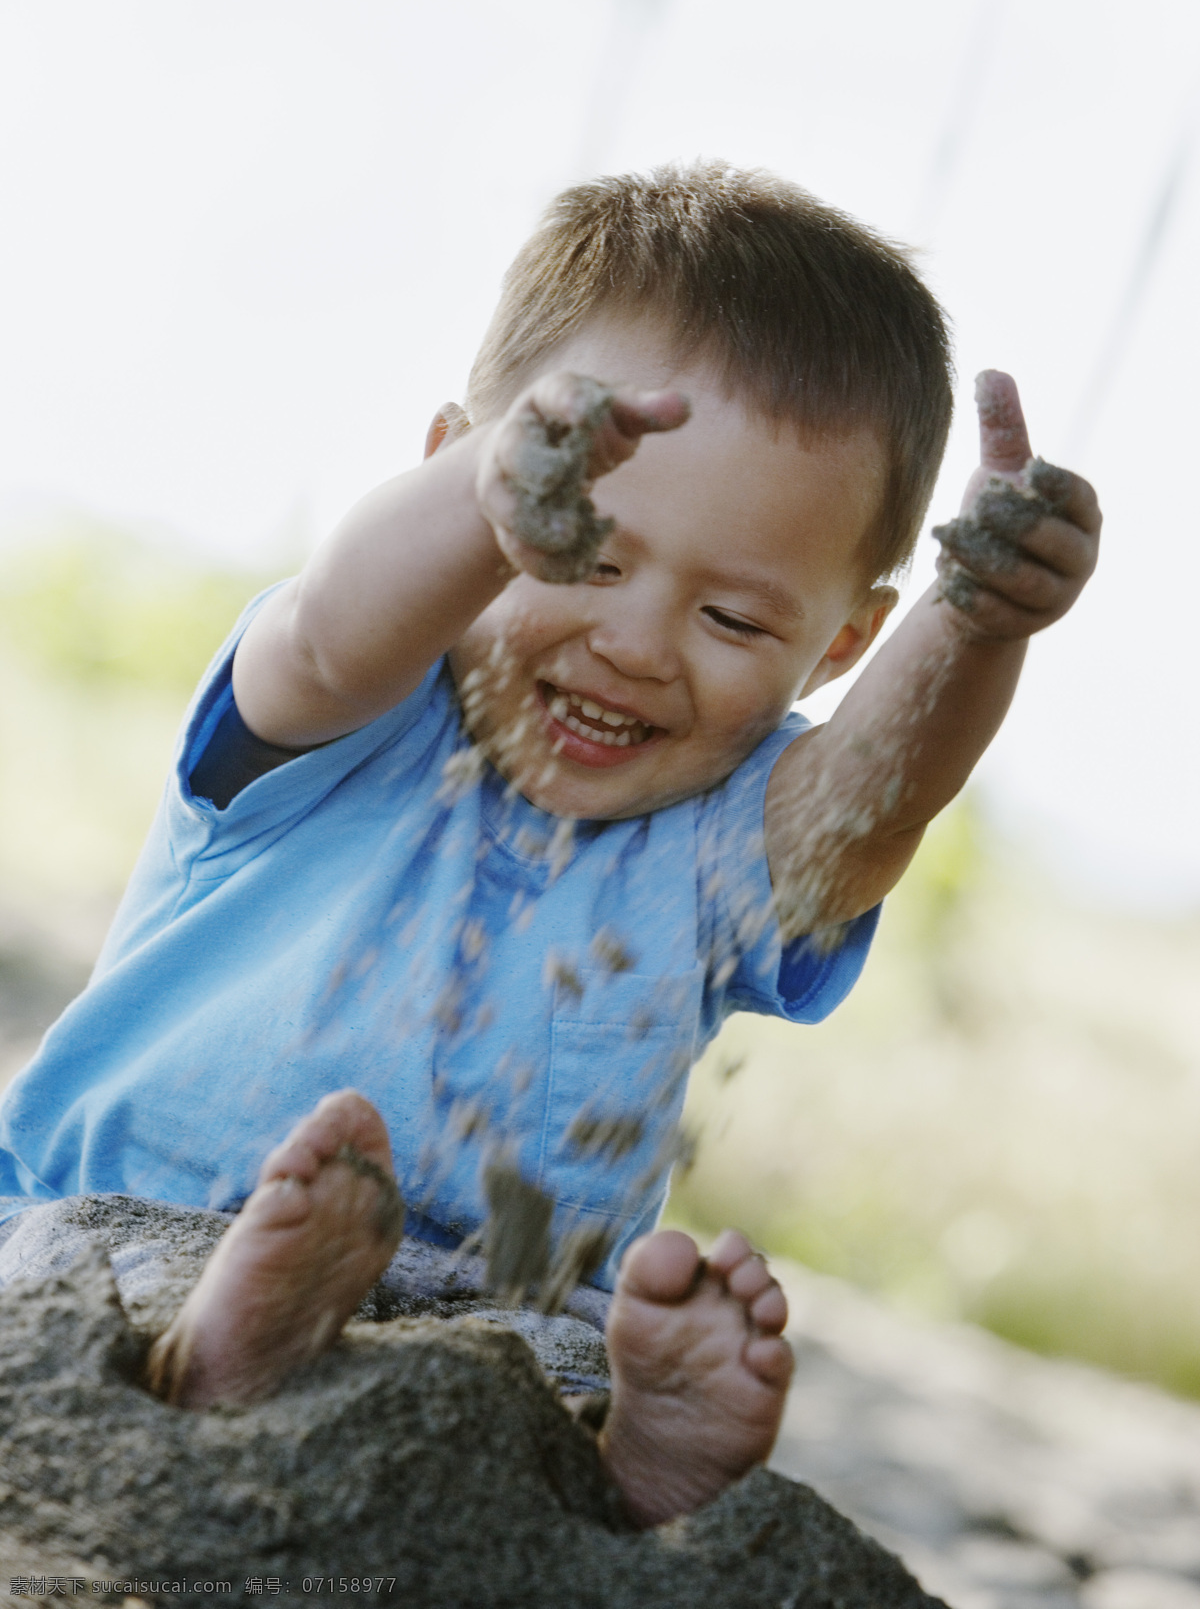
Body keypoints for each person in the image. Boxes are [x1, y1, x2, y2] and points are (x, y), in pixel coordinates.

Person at [0, 162, 1100, 1528]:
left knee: (557, 1391)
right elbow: (337, 620)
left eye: (738, 623)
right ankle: (226, 1353)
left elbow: (866, 814)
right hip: (128, 1232)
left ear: (844, 645)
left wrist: (977, 623)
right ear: (460, 467)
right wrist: (484, 502)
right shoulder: (354, 702)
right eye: (581, 548)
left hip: (505, 1323)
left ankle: (633, 1464)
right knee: (106, 1294)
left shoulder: (721, 841)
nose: (637, 644)